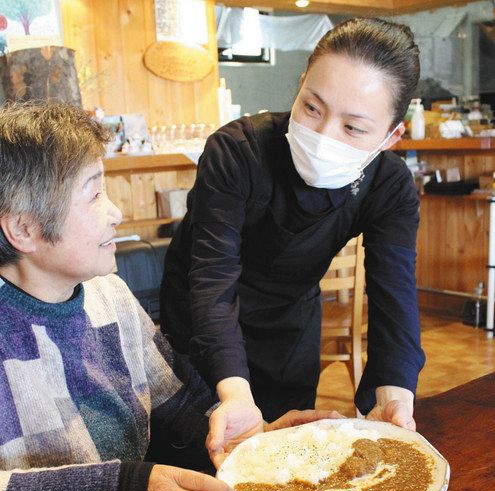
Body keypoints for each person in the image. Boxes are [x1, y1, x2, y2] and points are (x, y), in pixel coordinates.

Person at [0, 101, 334, 491]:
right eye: (95, 193)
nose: (116, 213)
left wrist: (249, 445)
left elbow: (181, 404)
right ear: (23, 229)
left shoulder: (108, 296)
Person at [160, 17, 426, 458]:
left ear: (391, 136)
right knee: (204, 451)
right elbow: (212, 280)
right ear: (301, 83)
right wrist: (236, 395)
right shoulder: (239, 150)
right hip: (202, 321)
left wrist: (395, 395)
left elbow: (394, 294)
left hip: (290, 323)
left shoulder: (389, 186)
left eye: (354, 128)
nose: (322, 135)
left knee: (285, 459)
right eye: (312, 107)